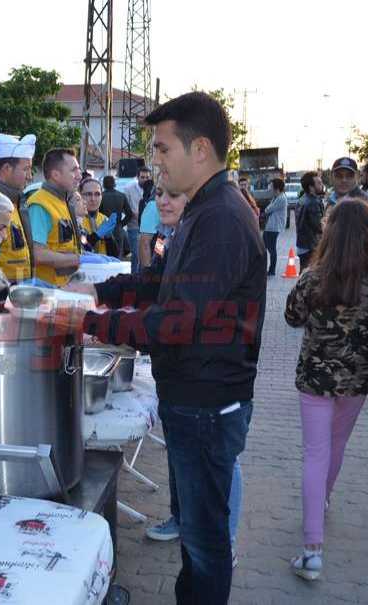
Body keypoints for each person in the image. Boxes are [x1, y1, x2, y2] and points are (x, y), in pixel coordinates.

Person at [67, 91, 266, 604]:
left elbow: (176, 322)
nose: (154, 161)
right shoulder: (204, 210)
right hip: (194, 397)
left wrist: (91, 323)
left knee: (205, 542)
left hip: (207, 401)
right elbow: (163, 284)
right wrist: (101, 294)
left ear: (199, 149)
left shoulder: (221, 216)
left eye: (161, 149)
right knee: (198, 538)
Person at [284, 197, 368, 581]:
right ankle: (323, 500)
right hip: (357, 382)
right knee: (336, 447)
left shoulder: (314, 277)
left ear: (329, 230)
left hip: (316, 379)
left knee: (315, 453)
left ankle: (312, 550)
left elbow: (291, 316)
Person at [143, 184, 245, 570]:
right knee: (180, 456)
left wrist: (119, 325)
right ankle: (181, 518)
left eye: (173, 195)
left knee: (222, 464)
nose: (163, 202)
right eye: (158, 196)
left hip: (212, 383)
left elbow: (184, 315)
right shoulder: (166, 238)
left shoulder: (211, 236)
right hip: (178, 376)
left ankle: (225, 542)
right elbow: (153, 287)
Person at [0, 132, 36, 282]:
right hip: (2, 292)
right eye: (26, 169)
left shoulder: (13, 197)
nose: (30, 176)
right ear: (6, 169)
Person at [27, 148, 83, 286]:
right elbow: (38, 254)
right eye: (73, 170)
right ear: (56, 175)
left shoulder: (63, 201)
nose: (79, 176)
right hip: (47, 290)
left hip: (65, 285)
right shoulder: (40, 204)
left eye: (78, 170)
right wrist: (79, 259)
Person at [76, 177, 119, 256]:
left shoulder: (104, 219)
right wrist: (96, 235)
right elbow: (82, 245)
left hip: (102, 267)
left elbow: (114, 255)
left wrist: (109, 238)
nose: (93, 199)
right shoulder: (76, 219)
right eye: (88, 194)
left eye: (97, 194)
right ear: (80, 196)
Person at [123, 166, 153, 272]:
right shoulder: (128, 188)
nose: (145, 179)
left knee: (151, 255)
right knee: (136, 254)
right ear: (137, 177)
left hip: (152, 230)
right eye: (142, 177)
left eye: (147, 177)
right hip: (135, 227)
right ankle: (135, 277)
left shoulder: (153, 191)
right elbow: (126, 209)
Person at [296, 171, 326, 271]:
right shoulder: (313, 202)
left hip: (302, 245)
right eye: (319, 183)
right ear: (311, 187)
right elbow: (319, 227)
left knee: (303, 275)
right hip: (311, 247)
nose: (322, 185)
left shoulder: (302, 199)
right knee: (310, 279)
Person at [100, 175, 133, 256]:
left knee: (105, 254)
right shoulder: (121, 196)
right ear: (114, 184)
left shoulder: (101, 196)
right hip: (118, 228)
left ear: (103, 184)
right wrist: (121, 224)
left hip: (104, 228)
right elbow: (129, 213)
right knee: (118, 255)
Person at [263, 178, 288, 276]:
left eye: (271, 186)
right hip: (270, 227)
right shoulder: (276, 197)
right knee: (264, 247)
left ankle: (272, 270)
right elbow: (267, 209)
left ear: (276, 188)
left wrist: (267, 209)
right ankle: (267, 268)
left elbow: (268, 210)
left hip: (274, 227)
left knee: (271, 249)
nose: (270, 189)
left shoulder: (281, 198)